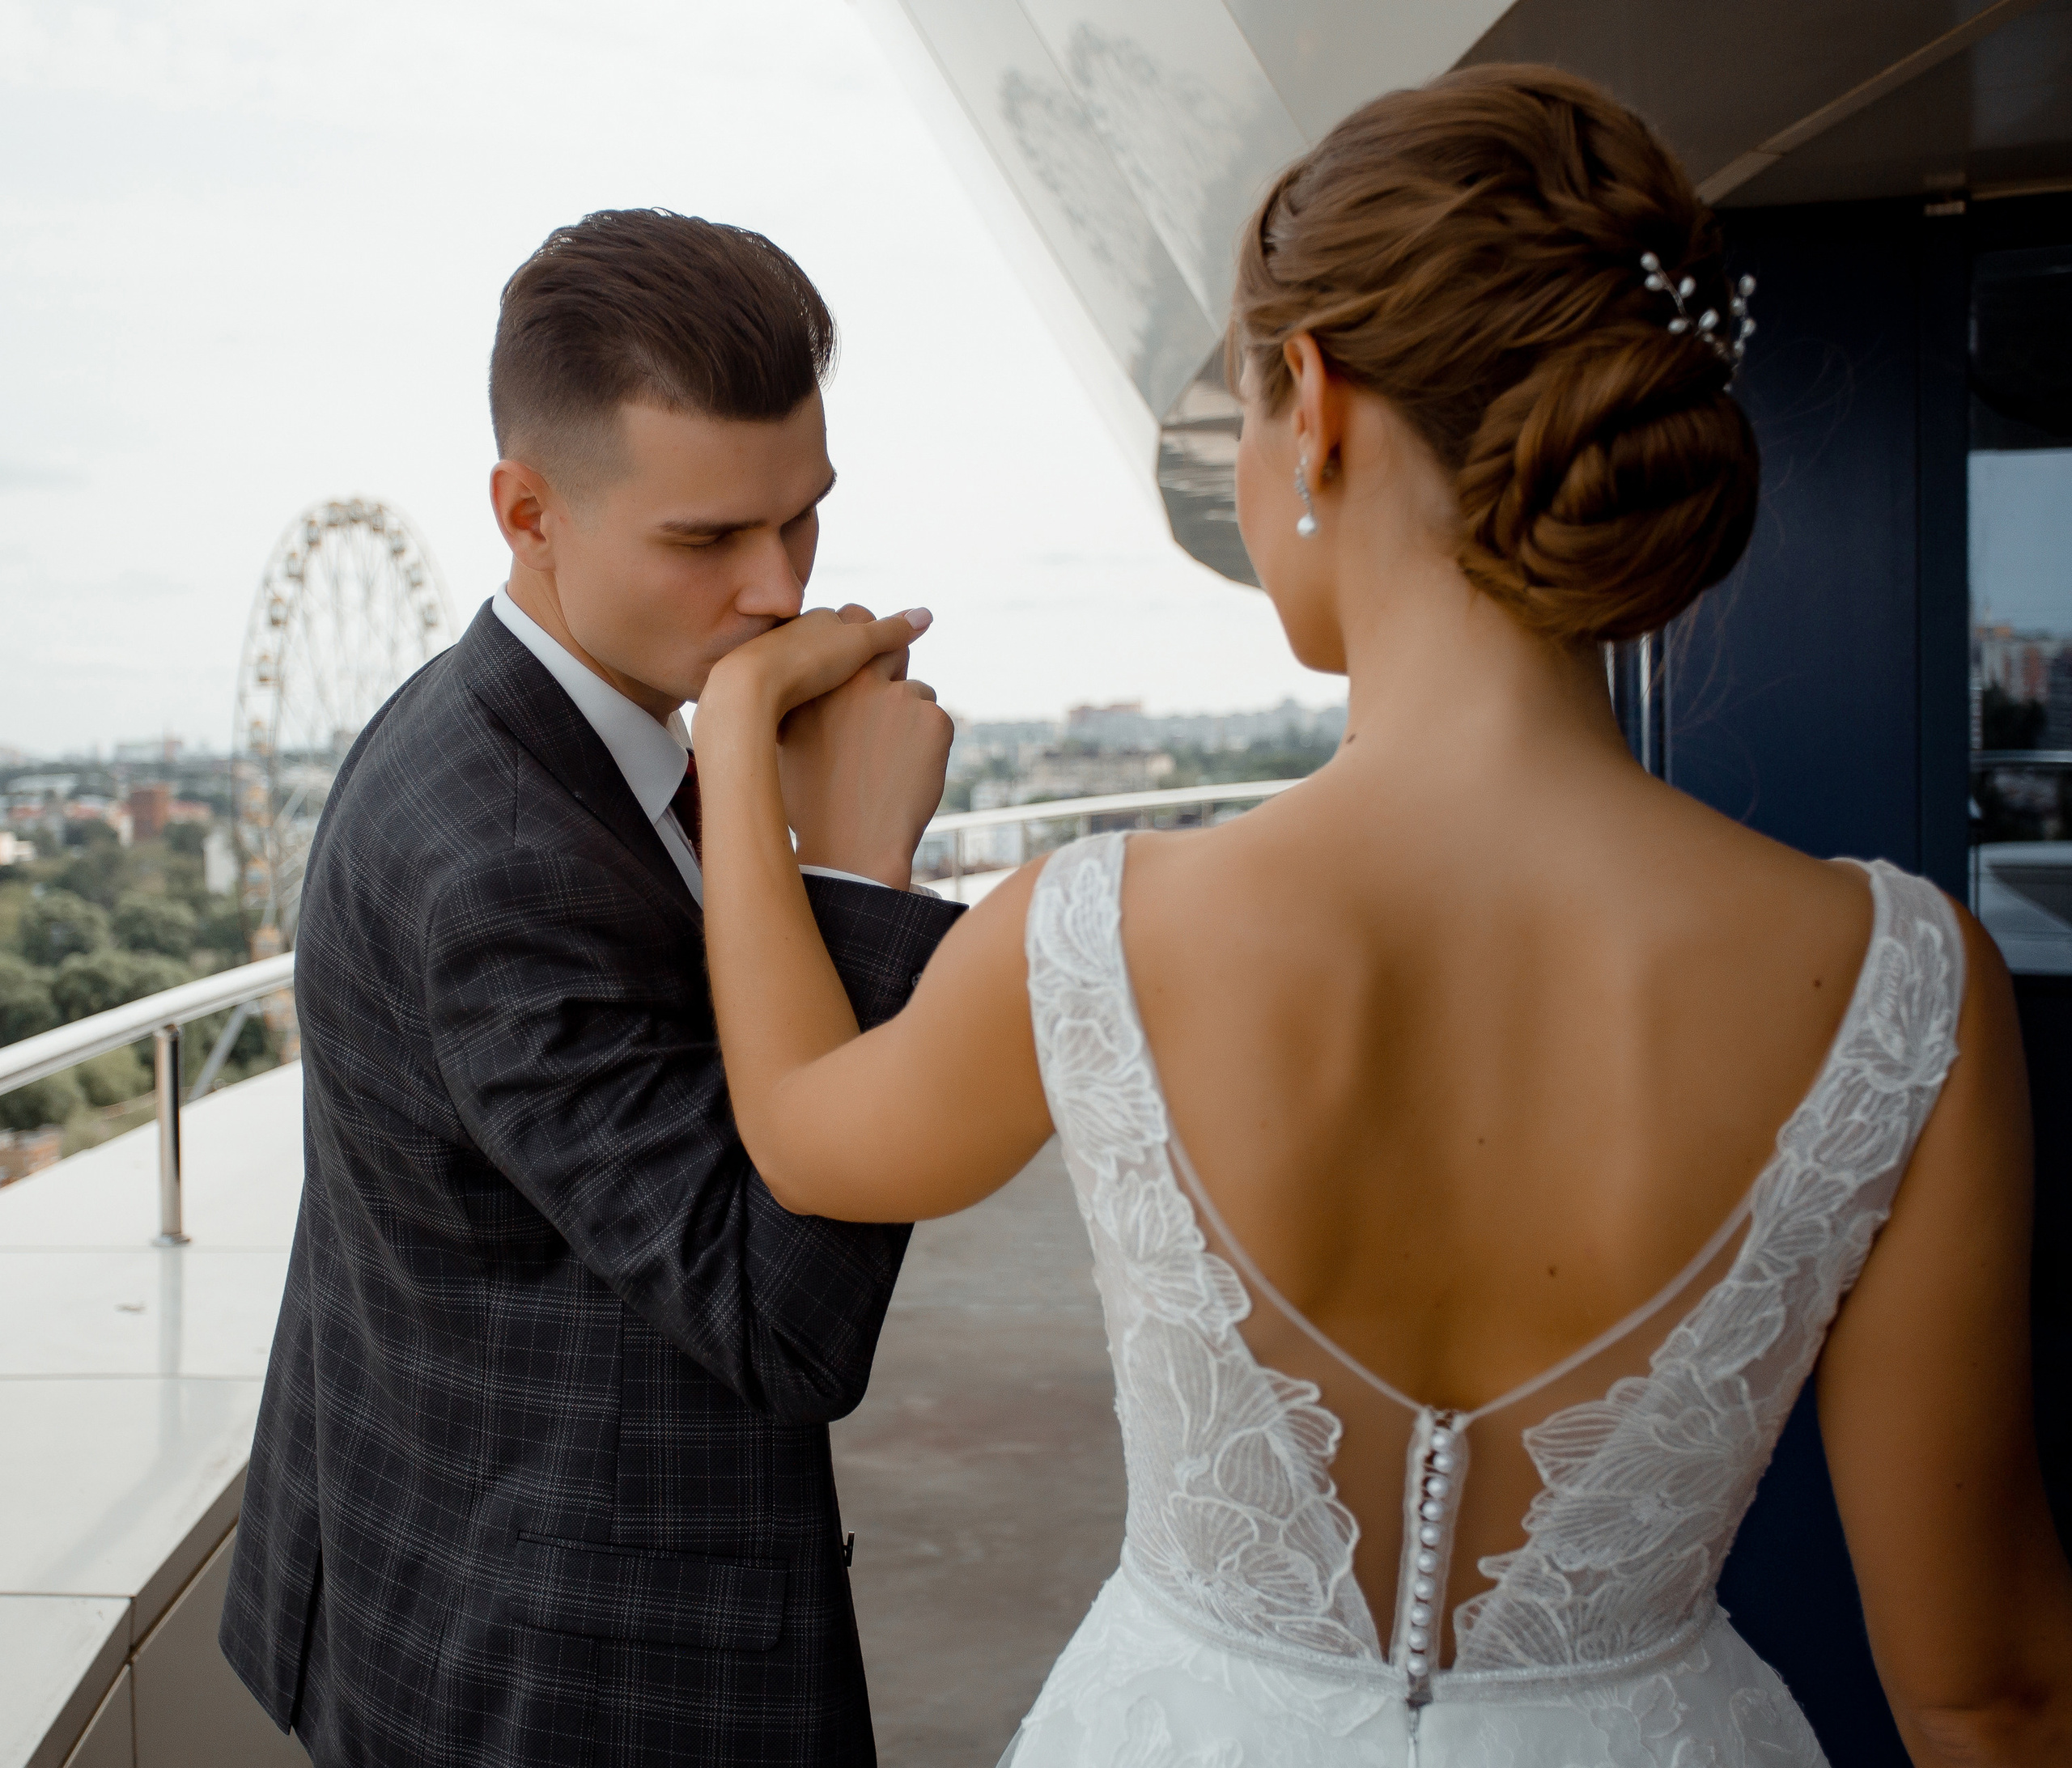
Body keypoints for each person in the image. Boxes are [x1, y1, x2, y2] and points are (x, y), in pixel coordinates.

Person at [688, 66, 2072, 1768]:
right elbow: (1986, 1689)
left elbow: (807, 1137)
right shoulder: (1907, 988)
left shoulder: (1095, 928)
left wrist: (743, 746)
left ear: (1316, 405)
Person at [219, 210, 960, 1766]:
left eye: (803, 520)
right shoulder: (505, 857)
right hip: (558, 1679)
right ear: (527, 510)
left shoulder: (563, 729)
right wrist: (857, 881)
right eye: (705, 540)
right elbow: (783, 1324)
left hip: (470, 1553)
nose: (776, 589)